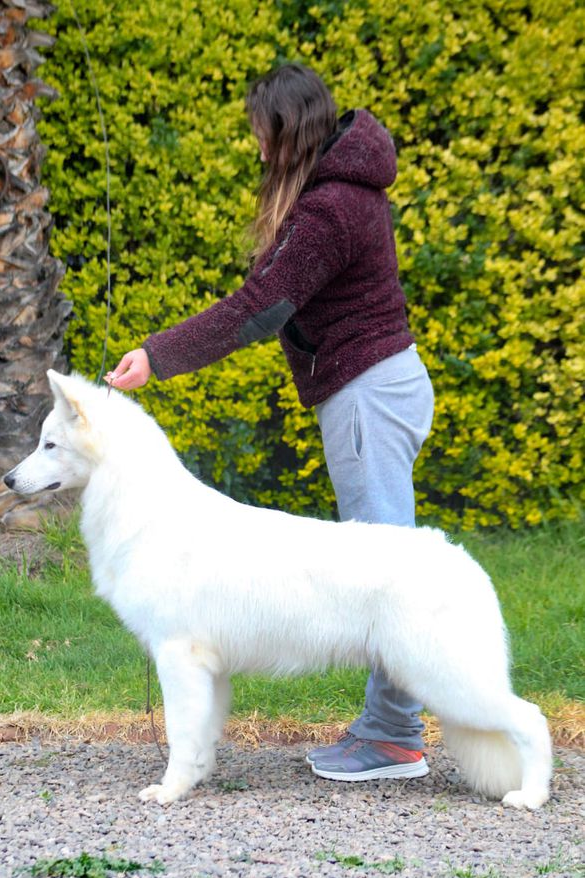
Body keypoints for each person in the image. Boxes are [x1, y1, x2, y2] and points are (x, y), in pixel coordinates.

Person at [106, 63, 434, 783]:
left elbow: (258, 308)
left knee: (389, 570)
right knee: (386, 560)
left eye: (261, 134)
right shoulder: (341, 190)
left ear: (286, 131)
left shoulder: (331, 208)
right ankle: (393, 730)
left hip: (369, 398)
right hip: (377, 388)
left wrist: (155, 356)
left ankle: (393, 736)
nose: (257, 150)